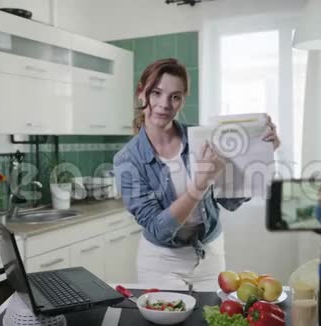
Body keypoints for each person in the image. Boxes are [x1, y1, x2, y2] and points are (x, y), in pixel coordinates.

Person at [113, 58, 280, 288]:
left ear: (182, 101)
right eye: (156, 93)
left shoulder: (201, 139)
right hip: (161, 262)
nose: (164, 104)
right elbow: (157, 229)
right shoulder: (127, 160)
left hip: (209, 255)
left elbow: (229, 200)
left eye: (175, 96)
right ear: (141, 93)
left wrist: (261, 152)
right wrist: (199, 185)